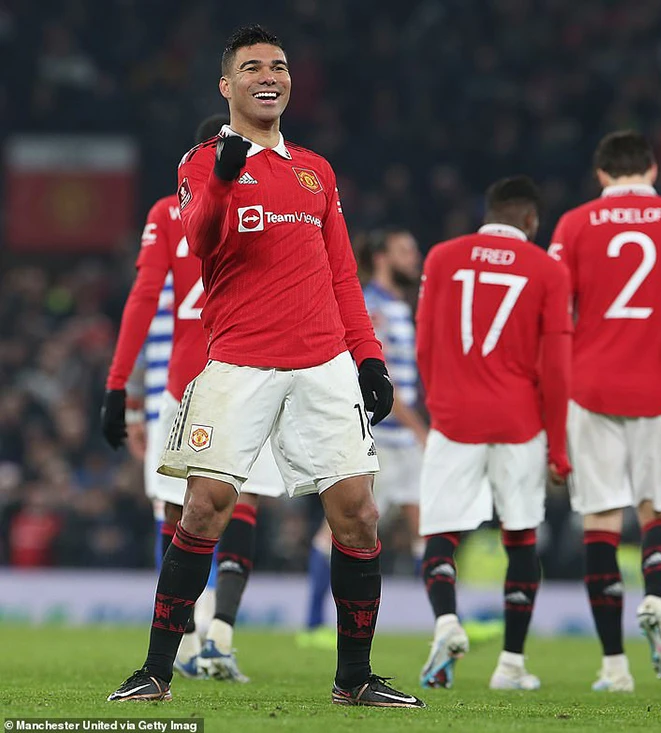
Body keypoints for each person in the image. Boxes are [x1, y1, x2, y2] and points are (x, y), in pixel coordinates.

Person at [106, 24, 424, 708]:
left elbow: (342, 272)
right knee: (204, 506)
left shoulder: (316, 169)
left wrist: (367, 357)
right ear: (227, 85)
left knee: (359, 515)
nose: (268, 75)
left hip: (323, 362)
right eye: (252, 67)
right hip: (239, 361)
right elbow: (201, 239)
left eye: (278, 65)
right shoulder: (200, 164)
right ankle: (156, 669)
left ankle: (355, 678)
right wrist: (223, 179)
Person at [102, 113, 291, 684]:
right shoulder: (275, 203)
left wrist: (118, 387)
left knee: (177, 509)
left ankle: (185, 639)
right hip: (254, 372)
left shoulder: (168, 212)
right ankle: (220, 637)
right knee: (245, 501)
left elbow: (142, 299)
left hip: (185, 380)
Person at [549, 130, 661, 692]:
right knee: (659, 514)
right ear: (652, 171)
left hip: (591, 390)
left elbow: (554, 316)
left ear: (602, 175)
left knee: (601, 523)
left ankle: (614, 667)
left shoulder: (575, 224)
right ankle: (655, 599)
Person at [416, 176, 572, 690]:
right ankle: (511, 665)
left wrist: (441, 401)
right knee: (521, 538)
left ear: (489, 213)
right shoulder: (548, 270)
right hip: (518, 422)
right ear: (530, 220)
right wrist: (559, 443)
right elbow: (556, 367)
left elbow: (425, 344)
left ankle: (446, 623)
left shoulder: (441, 258)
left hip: (454, 418)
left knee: (441, 533)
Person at [301, 228, 427, 645]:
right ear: (381, 257)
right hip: (383, 435)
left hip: (402, 441)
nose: (415, 257)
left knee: (425, 525)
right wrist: (418, 428)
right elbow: (379, 377)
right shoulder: (374, 309)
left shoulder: (397, 306)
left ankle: (447, 623)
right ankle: (314, 623)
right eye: (405, 250)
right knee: (340, 527)